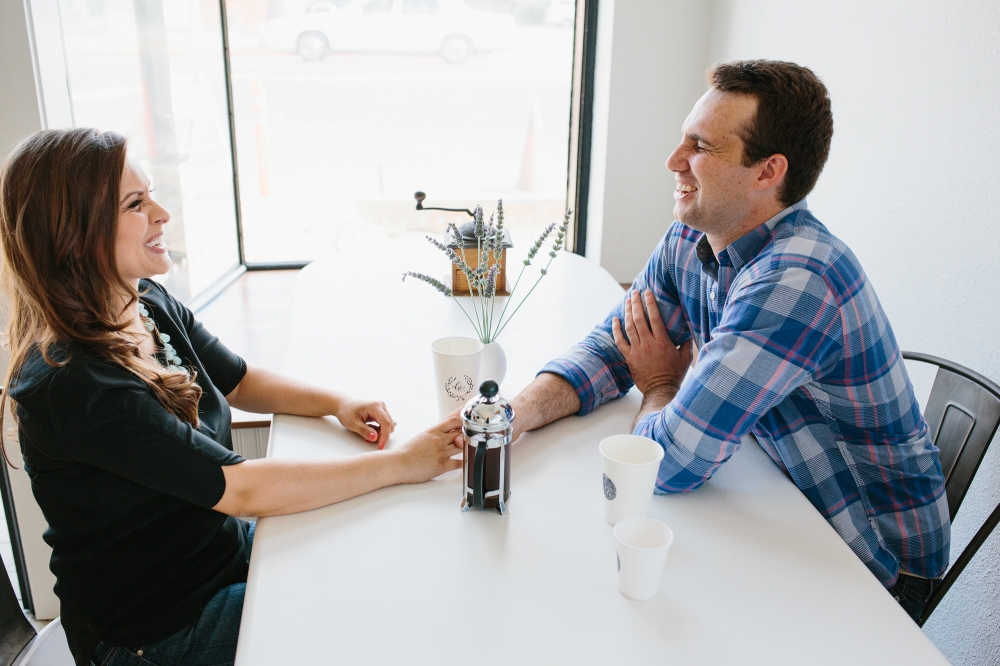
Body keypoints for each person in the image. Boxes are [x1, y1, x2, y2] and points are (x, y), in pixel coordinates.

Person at [0, 128, 464, 666]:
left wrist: (334, 402)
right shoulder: (74, 383)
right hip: (158, 630)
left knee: (368, 558)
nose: (161, 213)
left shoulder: (142, 299)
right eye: (135, 204)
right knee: (367, 609)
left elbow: (238, 380)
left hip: (218, 558)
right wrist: (403, 464)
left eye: (150, 192)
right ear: (75, 235)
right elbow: (239, 490)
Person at [508, 60, 950, 621]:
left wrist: (662, 384)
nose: (673, 161)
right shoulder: (694, 234)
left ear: (767, 172)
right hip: (779, 489)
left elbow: (667, 465)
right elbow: (614, 348)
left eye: (700, 146)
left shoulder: (798, 280)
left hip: (871, 561)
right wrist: (510, 416)